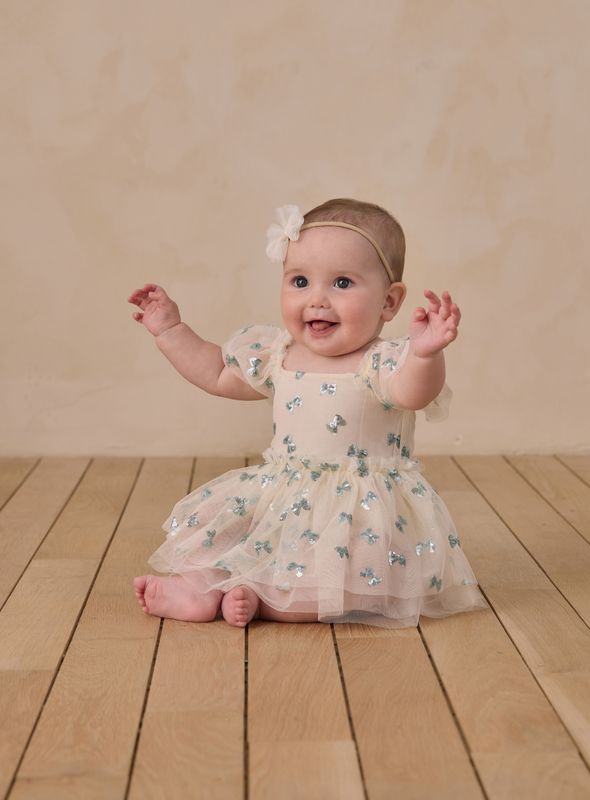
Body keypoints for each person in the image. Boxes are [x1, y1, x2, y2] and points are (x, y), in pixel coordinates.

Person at [130, 199, 488, 628]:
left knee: (346, 580)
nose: (317, 299)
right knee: (228, 537)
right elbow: (217, 373)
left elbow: (412, 394)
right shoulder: (278, 354)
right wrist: (171, 331)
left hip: (358, 514)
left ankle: (259, 597)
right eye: (300, 281)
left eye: (342, 283)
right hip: (283, 498)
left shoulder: (383, 362)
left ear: (389, 302)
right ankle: (200, 587)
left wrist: (426, 354)